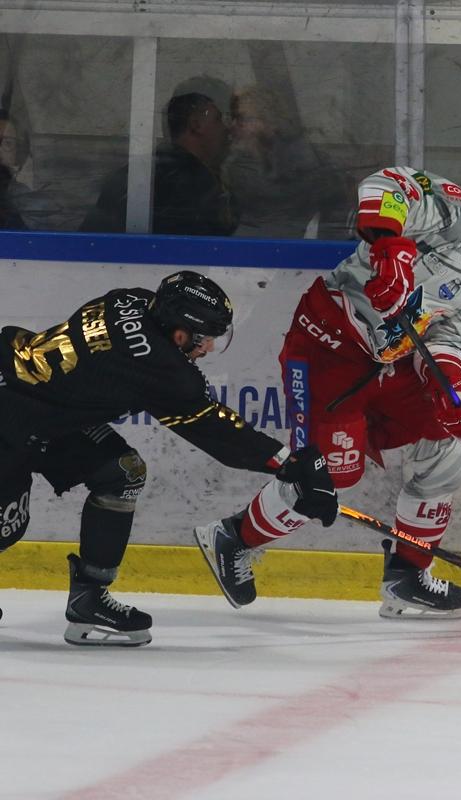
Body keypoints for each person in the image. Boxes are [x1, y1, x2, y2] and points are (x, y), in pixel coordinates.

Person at [192, 152, 461, 619]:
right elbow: (387, 185)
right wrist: (389, 249)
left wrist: (453, 392)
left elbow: (448, 342)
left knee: (445, 440)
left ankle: (407, 576)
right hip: (327, 346)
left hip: (389, 364)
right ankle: (233, 538)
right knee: (328, 476)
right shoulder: (450, 212)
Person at [0, 270, 338, 646]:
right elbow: (217, 432)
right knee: (7, 527)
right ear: (179, 332)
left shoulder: (129, 299)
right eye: (204, 338)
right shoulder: (158, 366)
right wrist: (290, 464)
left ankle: (88, 598)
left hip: (45, 415)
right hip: (10, 415)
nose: (207, 349)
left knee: (121, 472)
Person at [80, 93, 239, 236]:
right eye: (218, 120)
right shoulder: (190, 182)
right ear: (196, 125)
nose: (226, 129)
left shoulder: (139, 169)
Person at [224, 85, 353, 239]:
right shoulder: (235, 163)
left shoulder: (308, 164)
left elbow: (335, 213)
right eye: (232, 118)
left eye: (242, 119)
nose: (233, 126)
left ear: (270, 122)